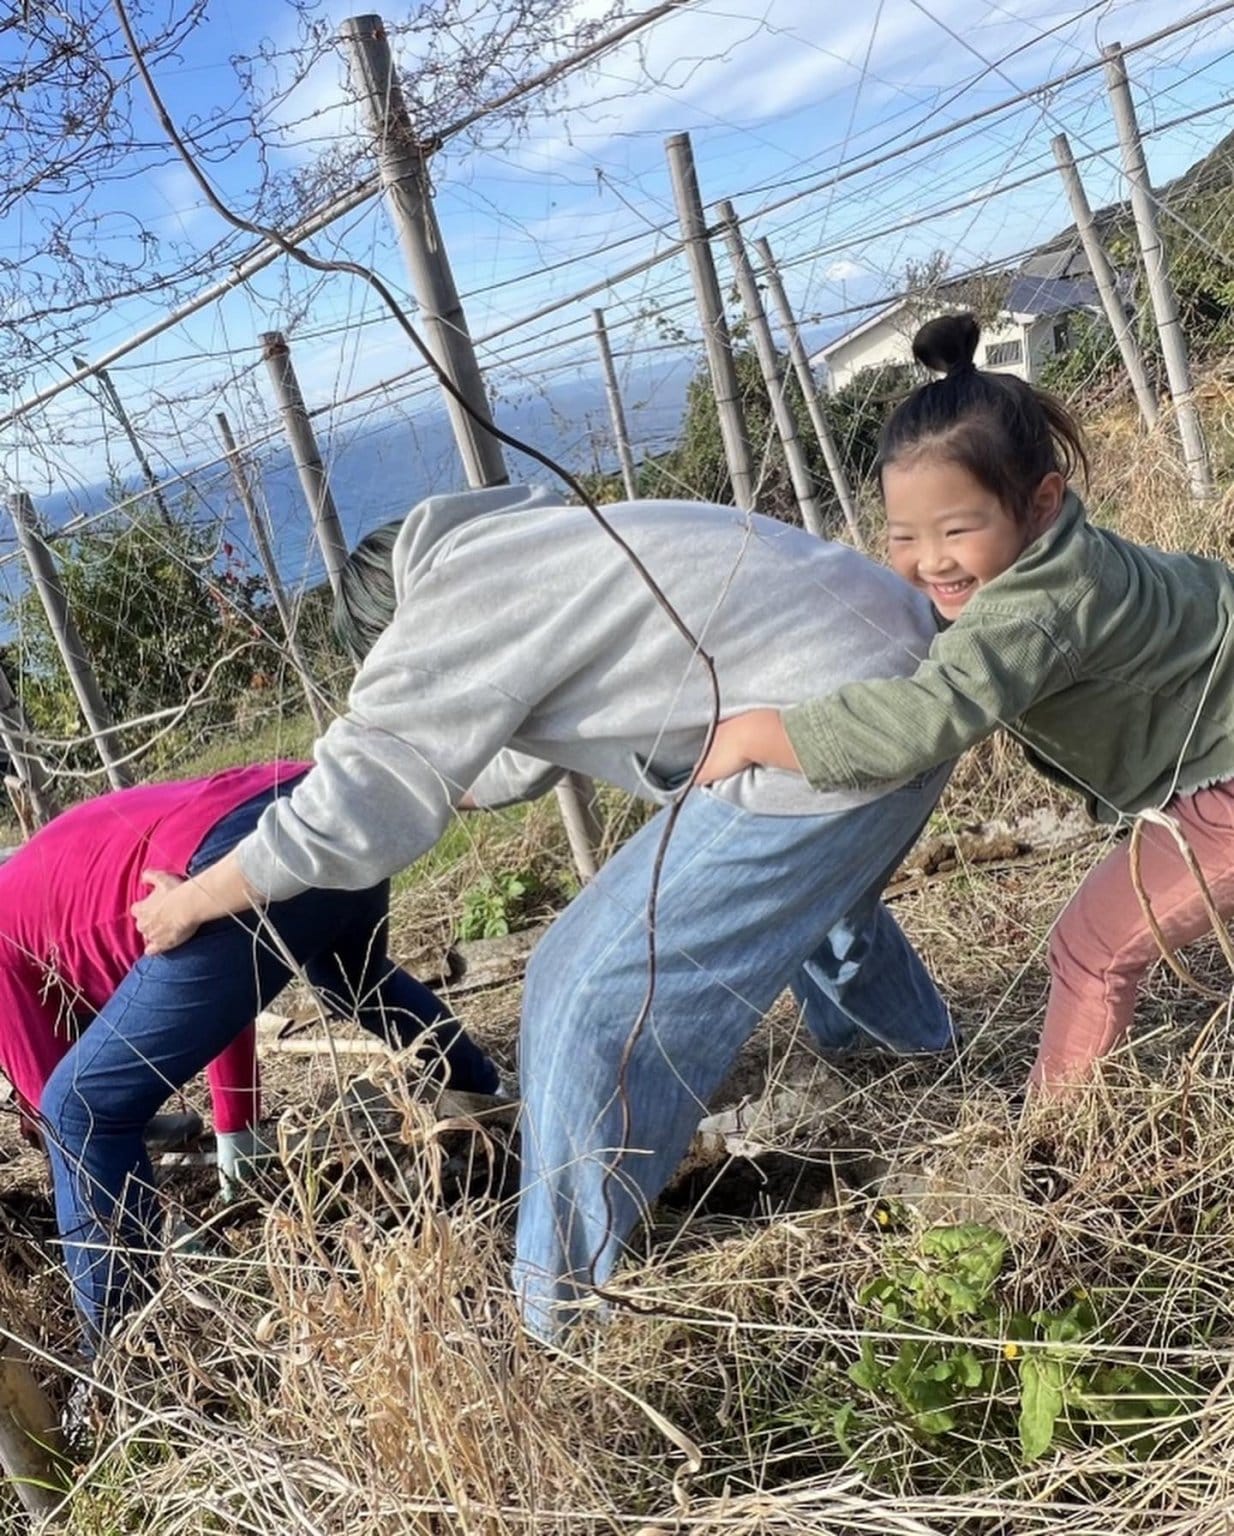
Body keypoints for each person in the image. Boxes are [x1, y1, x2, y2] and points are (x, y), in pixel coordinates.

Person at [132, 486, 955, 1341]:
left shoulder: (458, 597)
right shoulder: (535, 542)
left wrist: (193, 898)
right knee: (813, 885)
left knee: (583, 986)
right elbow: (520, 743)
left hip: (830, 722)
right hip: (909, 684)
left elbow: (354, 801)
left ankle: (558, 1308)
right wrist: (445, 786)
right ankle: (914, 1064)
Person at [697, 310, 1234, 1094]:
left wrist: (758, 733)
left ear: (1041, 502)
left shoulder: (1035, 607)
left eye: (956, 529)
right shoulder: (1066, 552)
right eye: (903, 535)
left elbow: (925, 719)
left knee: (1093, 947)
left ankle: (1055, 1152)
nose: (929, 561)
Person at [3, 761, 496, 1351]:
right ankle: (485, 1091)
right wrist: (237, 1136)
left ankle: (119, 1354)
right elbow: (230, 994)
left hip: (232, 859)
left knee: (79, 1108)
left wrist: (162, 1227)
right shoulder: (33, 885)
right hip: (320, 807)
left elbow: (56, 1116)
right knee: (352, 977)